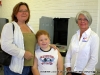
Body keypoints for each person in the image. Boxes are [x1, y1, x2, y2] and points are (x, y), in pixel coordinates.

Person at [1, 2, 56, 75]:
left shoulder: (30, 27)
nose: (24, 12)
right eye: (21, 11)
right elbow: (5, 45)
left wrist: (48, 46)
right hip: (15, 68)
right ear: (15, 13)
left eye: (26, 10)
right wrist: (23, 54)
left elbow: (33, 45)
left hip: (30, 66)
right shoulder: (9, 26)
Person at [65, 10, 99, 75]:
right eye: (80, 19)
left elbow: (94, 58)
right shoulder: (74, 36)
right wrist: (68, 70)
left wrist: (85, 73)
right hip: (72, 72)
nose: (82, 21)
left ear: (89, 21)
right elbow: (68, 54)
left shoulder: (94, 36)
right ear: (77, 22)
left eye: (85, 19)